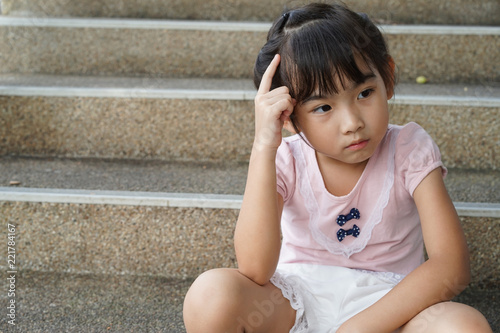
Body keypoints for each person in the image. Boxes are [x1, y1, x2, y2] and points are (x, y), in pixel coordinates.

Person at [183, 3, 493, 332]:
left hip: (391, 307)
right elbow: (256, 269)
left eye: (365, 93)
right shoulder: (286, 158)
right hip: (293, 302)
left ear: (387, 77)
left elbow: (452, 266)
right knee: (209, 296)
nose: (352, 123)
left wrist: (358, 327)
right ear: (289, 115)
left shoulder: (408, 149)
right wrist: (263, 148)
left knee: (463, 325)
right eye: (324, 107)